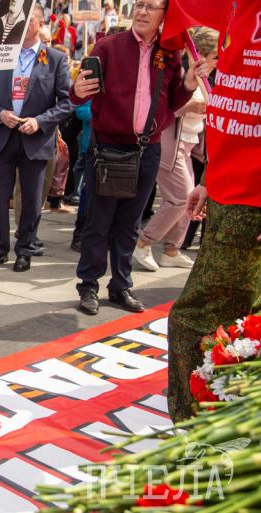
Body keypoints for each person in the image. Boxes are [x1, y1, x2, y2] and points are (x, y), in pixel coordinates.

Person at [70, 0, 208, 315]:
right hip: (107, 149)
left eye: (151, 7)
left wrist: (189, 82)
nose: (143, 12)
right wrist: (77, 89)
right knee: (98, 222)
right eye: (139, 5)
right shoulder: (108, 46)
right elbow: (78, 95)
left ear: (164, 15)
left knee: (130, 223)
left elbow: (173, 101)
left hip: (147, 149)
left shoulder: (169, 53)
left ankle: (120, 286)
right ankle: (88, 285)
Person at [167, 0, 261, 422]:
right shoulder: (238, 12)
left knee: (192, 320)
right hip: (229, 193)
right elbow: (238, 110)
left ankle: (199, 433)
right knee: (237, 321)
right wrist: (210, 177)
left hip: (249, 204)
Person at [0, 3, 73, 273]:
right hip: (3, 136)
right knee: (0, 198)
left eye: (29, 20)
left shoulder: (55, 59)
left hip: (35, 140)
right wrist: (0, 114)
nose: (22, 25)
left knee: (32, 199)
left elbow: (66, 102)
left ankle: (25, 248)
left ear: (41, 24)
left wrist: (40, 121)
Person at [132, 28, 218, 272]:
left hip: (188, 145)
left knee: (189, 198)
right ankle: (143, 242)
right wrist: (189, 107)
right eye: (215, 56)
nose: (217, 62)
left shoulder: (205, 77)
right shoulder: (181, 73)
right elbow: (162, 111)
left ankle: (171, 250)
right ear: (199, 53)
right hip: (170, 144)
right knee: (180, 198)